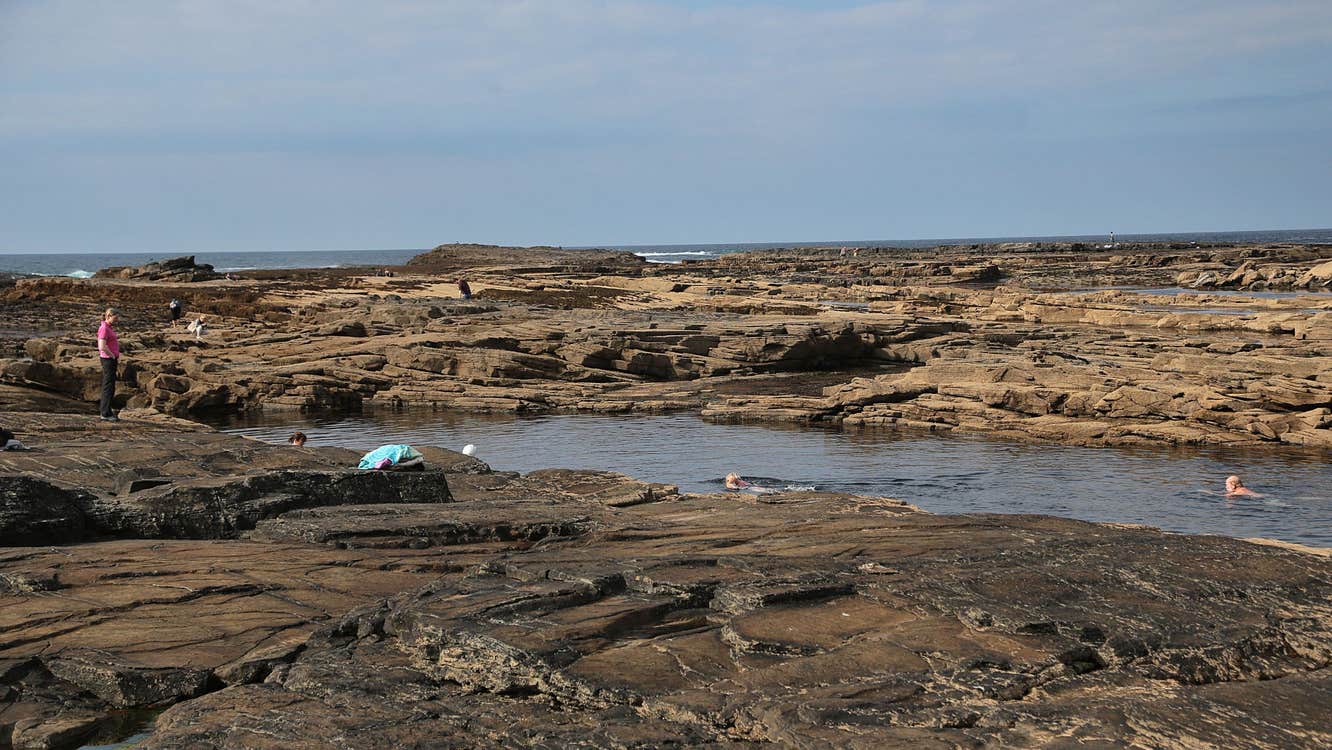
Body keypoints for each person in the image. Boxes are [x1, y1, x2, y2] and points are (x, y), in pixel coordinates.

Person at [97, 308, 120, 421]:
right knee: (108, 386)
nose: (117, 320)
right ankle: (105, 413)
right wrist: (112, 356)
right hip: (108, 360)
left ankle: (107, 411)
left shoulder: (108, 327)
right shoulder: (104, 328)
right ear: (109, 316)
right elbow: (101, 346)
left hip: (110, 359)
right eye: (115, 317)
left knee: (110, 386)